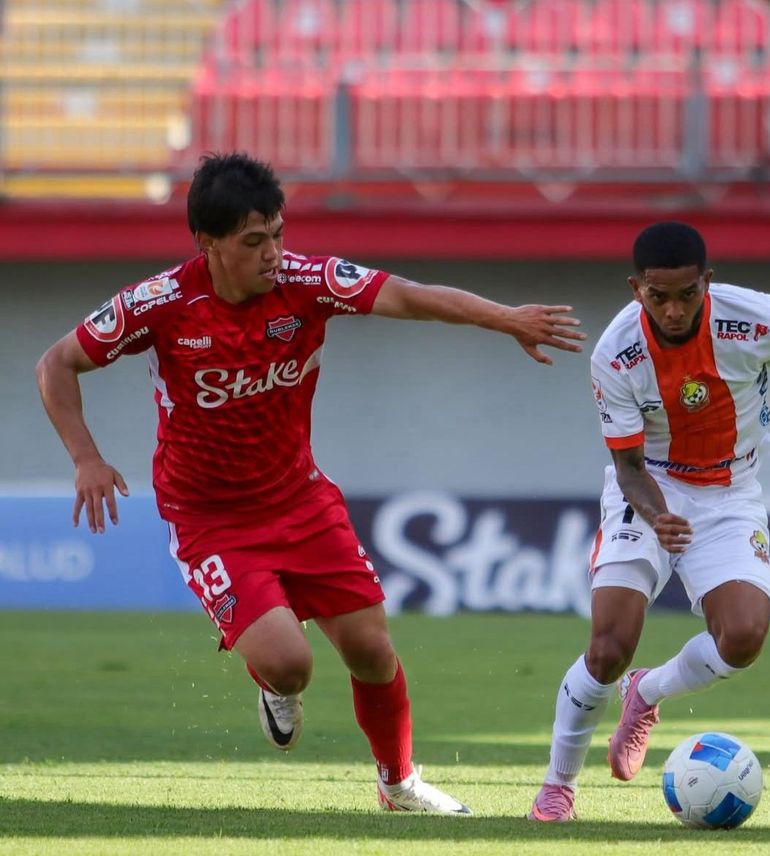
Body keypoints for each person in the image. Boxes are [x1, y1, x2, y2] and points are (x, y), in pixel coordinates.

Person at [36, 152, 586, 816]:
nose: (273, 252)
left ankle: (398, 784)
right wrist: (86, 458)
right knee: (292, 664)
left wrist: (505, 319)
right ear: (207, 244)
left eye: (277, 232)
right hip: (209, 518)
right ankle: (274, 684)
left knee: (371, 650)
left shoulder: (306, 282)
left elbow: (409, 296)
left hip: (299, 497)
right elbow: (57, 362)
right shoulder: (161, 304)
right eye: (253, 240)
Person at [528, 220, 770, 822]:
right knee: (608, 647)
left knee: (744, 639)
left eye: (687, 294)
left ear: (708, 284)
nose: (673, 309)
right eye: (657, 295)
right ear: (635, 287)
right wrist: (659, 516)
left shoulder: (758, 319)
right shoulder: (616, 354)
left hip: (732, 489)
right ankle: (558, 786)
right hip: (650, 483)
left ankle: (647, 693)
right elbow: (628, 462)